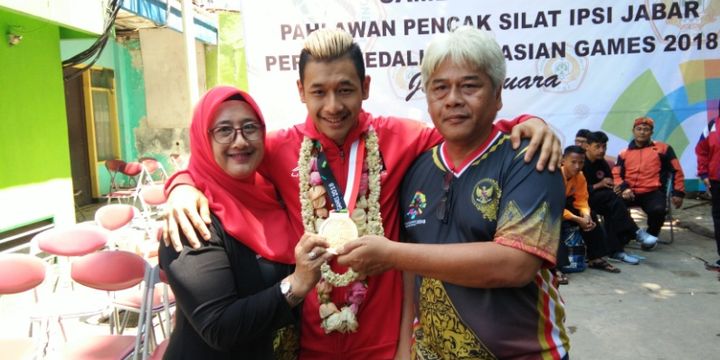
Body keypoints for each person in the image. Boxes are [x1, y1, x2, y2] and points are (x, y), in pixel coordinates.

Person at [163, 29, 562, 359]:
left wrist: (527, 122)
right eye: (319, 92)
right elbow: (218, 160)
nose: (333, 106)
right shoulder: (277, 147)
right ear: (301, 91)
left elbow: (466, 127)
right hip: (310, 341)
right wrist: (180, 185)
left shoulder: (402, 137)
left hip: (383, 340)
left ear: (366, 87)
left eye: (345, 90)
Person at [336, 26, 569, 359]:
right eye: (439, 88)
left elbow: (515, 265)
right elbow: (410, 276)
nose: (453, 99)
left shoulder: (529, 158)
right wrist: (406, 350)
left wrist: (390, 253)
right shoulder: (416, 168)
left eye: (469, 86)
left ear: (498, 94)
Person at [158, 86, 333, 359]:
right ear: (204, 140)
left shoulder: (270, 194)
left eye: (250, 128)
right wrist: (296, 284)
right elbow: (219, 327)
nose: (240, 141)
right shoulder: (191, 217)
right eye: (224, 130)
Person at [583, 131, 656, 262]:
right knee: (612, 200)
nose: (602, 150)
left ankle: (616, 251)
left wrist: (616, 188)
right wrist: (599, 185)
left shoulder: (602, 162)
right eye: (597, 147)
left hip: (601, 199)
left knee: (614, 206)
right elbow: (575, 189)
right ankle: (635, 232)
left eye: (604, 147)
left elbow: (611, 180)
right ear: (587, 146)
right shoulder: (580, 162)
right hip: (582, 200)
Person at [612, 117, 685, 243]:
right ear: (633, 131)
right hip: (629, 192)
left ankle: (651, 236)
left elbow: (677, 170)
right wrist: (624, 188)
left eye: (646, 129)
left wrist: (678, 193)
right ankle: (630, 233)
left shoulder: (664, 149)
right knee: (613, 205)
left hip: (652, 192)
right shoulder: (624, 153)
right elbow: (616, 173)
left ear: (651, 133)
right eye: (639, 129)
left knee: (658, 211)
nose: (642, 132)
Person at [560, 145, 620, 277]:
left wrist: (585, 216)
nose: (577, 166)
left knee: (591, 216)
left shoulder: (580, 176)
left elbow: (582, 199)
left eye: (581, 162)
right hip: (550, 208)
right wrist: (577, 219)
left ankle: (595, 258)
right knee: (556, 222)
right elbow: (554, 205)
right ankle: (555, 267)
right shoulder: (554, 175)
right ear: (563, 160)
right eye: (573, 162)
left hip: (564, 206)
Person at [695, 109, 720, 268]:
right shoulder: (712, 125)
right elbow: (701, 150)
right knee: (719, 218)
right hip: (717, 180)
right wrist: (704, 173)